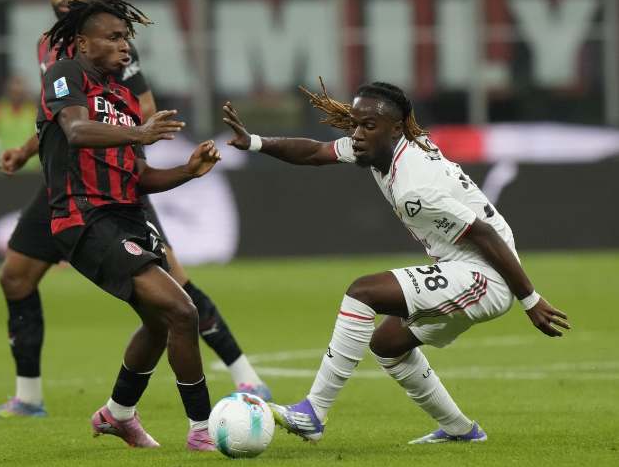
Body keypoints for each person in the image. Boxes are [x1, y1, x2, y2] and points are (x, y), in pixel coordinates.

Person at [0, 0, 269, 423]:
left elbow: (139, 109)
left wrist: (138, 142)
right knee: (15, 278)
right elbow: (61, 117)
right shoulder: (51, 51)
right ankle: (29, 397)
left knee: (175, 289)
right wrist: (27, 150)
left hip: (116, 180)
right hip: (67, 183)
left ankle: (244, 373)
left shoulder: (112, 46)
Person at [221, 81, 570, 444]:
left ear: (395, 128)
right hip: (462, 266)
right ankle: (460, 431)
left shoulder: (414, 188)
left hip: (486, 276)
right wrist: (255, 142)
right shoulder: (381, 147)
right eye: (355, 124)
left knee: (363, 293)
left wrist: (530, 300)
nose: (357, 134)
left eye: (368, 125)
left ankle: (313, 412)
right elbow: (314, 152)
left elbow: (484, 235)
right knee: (388, 344)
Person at [40, 0, 220, 450]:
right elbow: (76, 131)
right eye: (114, 37)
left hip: (128, 216)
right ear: (83, 43)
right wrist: (140, 132)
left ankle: (117, 414)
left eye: (127, 39)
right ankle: (202, 429)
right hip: (84, 215)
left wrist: (188, 171)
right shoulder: (65, 74)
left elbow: (139, 176)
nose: (125, 46)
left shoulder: (123, 97)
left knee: (159, 323)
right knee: (183, 311)